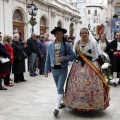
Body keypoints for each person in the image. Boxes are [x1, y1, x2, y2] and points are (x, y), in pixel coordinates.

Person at [64, 28, 110, 112]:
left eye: (86, 33)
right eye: (82, 33)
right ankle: (76, 104)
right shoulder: (77, 43)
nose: (84, 34)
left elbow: (97, 55)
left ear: (88, 34)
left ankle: (92, 105)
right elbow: (75, 55)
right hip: (78, 66)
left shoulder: (93, 43)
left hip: (91, 65)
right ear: (80, 34)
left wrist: (103, 64)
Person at [44, 27, 76, 116]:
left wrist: (64, 58)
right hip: (54, 70)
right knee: (59, 87)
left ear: (63, 35)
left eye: (61, 34)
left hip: (63, 69)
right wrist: (46, 70)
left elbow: (73, 56)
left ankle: (56, 108)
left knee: (59, 88)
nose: (59, 36)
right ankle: (63, 102)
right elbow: (48, 58)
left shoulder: (67, 45)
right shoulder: (50, 45)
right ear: (54, 35)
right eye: (57, 34)